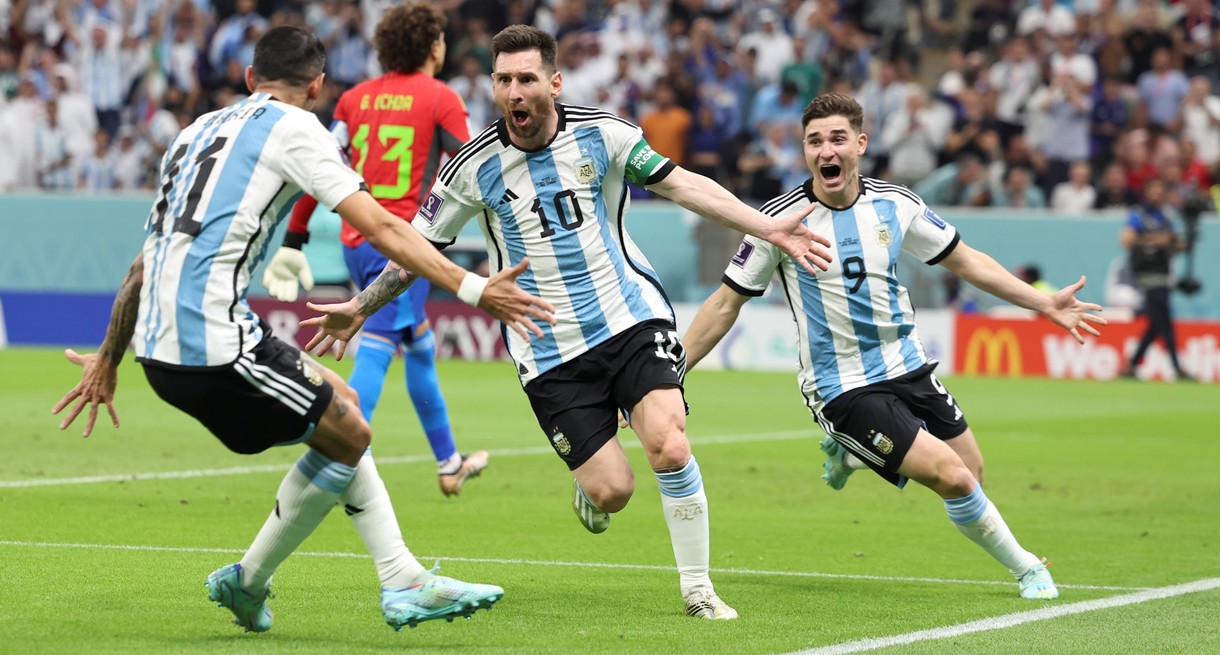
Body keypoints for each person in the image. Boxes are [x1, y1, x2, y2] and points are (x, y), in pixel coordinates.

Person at [299, 25, 832, 621]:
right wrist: (360, 306)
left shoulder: (604, 134)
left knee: (669, 444)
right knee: (614, 490)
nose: (514, 92)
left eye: (526, 78)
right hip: (547, 347)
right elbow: (419, 252)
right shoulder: (472, 168)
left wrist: (766, 226)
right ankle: (590, 483)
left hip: (629, 317)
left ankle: (698, 589)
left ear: (554, 82)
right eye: (503, 80)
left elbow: (682, 184)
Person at [51, 26, 557, 633]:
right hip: (212, 345)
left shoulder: (193, 133)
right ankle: (370, 581)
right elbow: (387, 228)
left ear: (247, 79)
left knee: (342, 414)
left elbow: (145, 260)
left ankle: (367, 579)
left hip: (161, 346)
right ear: (317, 86)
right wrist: (475, 287)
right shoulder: (297, 129)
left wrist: (110, 357)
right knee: (350, 431)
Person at [681, 93, 1107, 601]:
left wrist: (1041, 303)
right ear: (804, 151)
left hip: (907, 365)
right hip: (841, 385)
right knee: (953, 477)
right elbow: (726, 304)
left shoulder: (895, 204)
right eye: (814, 142)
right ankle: (1028, 568)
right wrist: (672, 371)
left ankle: (854, 456)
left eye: (837, 138)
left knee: (971, 470)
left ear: (860, 144)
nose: (825, 151)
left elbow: (967, 262)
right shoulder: (781, 220)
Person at [261, 2, 488, 497]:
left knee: (421, 347)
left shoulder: (354, 100)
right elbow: (474, 171)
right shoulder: (442, 98)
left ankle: (449, 462)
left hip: (355, 238)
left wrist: (296, 235)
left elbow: (319, 171)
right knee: (378, 348)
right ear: (434, 46)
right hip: (405, 247)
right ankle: (334, 450)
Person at [1119, 178, 1192, 380]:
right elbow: (1126, 240)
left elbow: (1173, 242)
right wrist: (1156, 239)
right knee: (1165, 321)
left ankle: (1131, 365)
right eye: (1154, 191)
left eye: (1161, 192)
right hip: (1148, 274)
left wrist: (1180, 243)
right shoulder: (1139, 215)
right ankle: (1177, 368)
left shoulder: (1166, 216)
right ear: (1147, 192)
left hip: (1164, 273)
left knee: (1156, 323)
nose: (1158, 195)